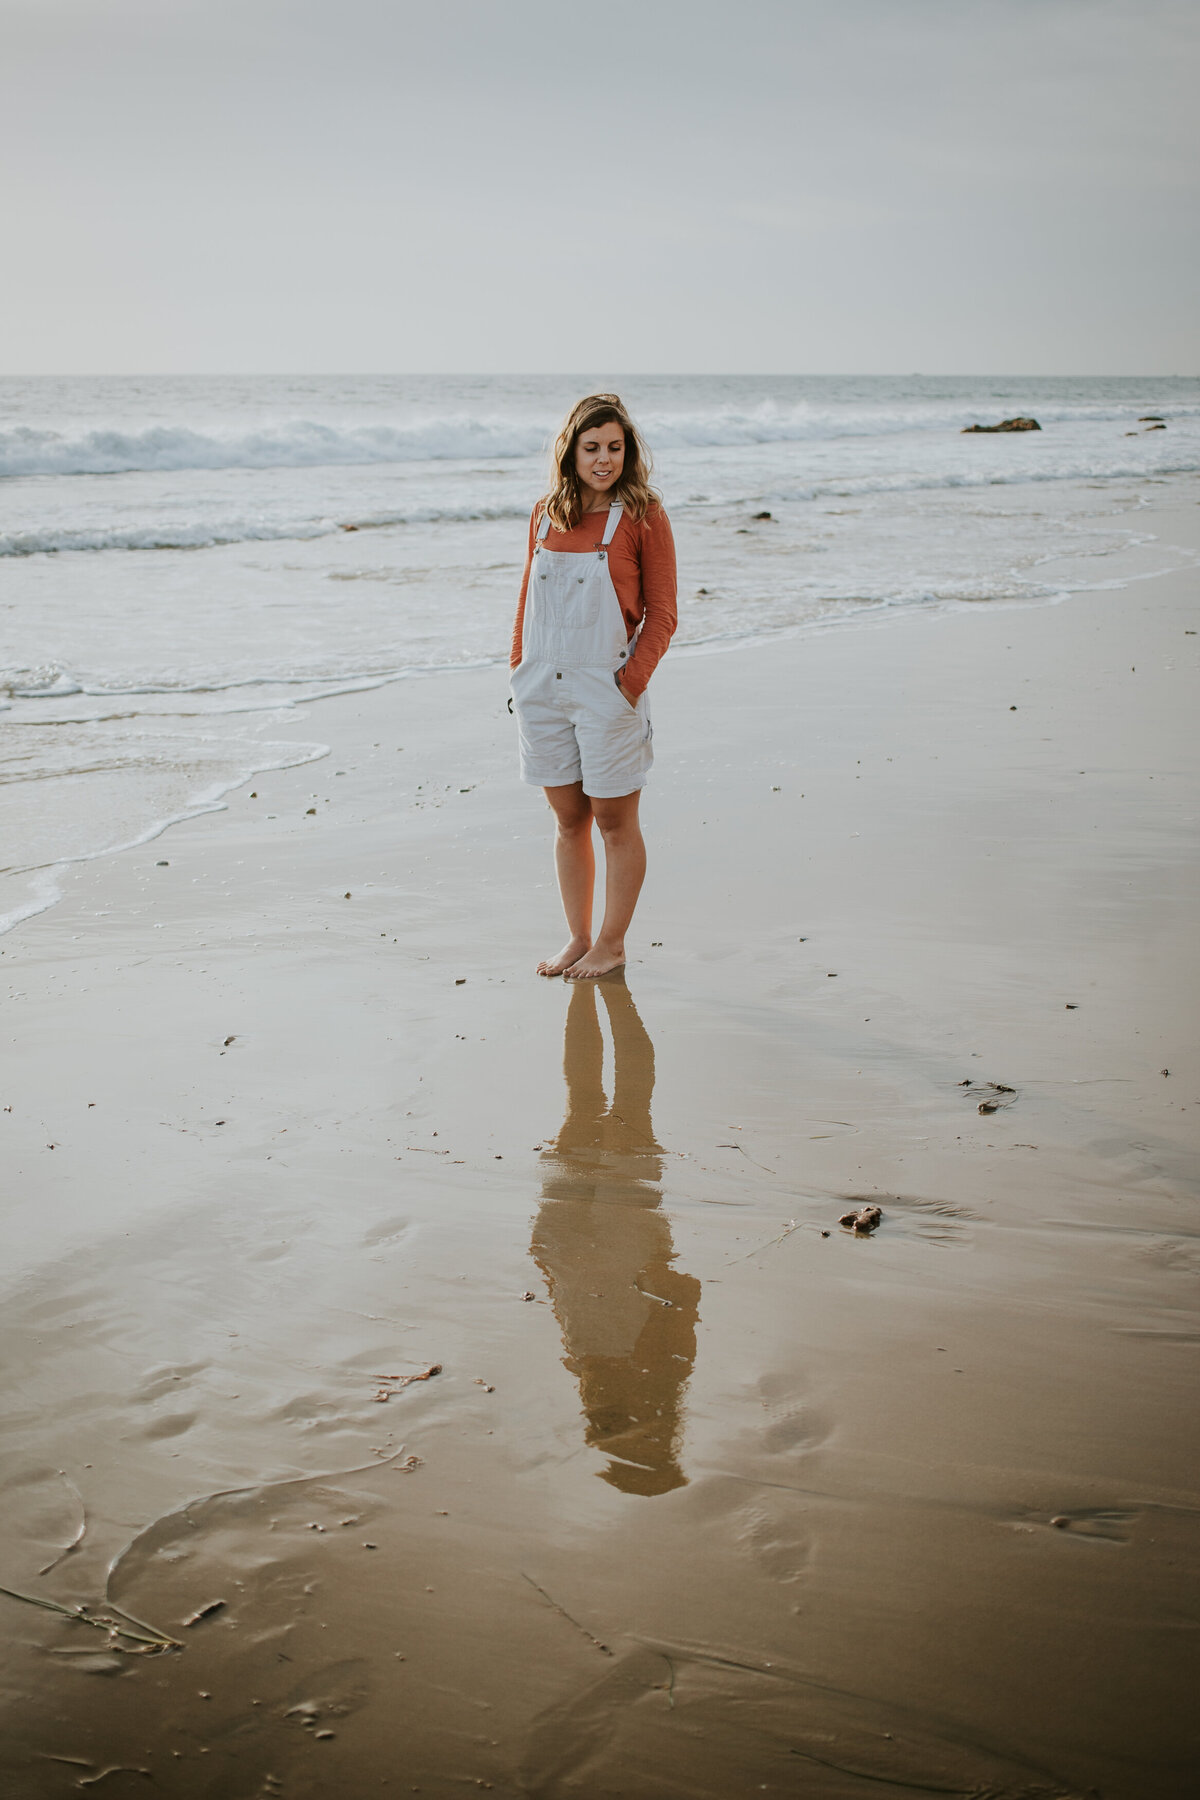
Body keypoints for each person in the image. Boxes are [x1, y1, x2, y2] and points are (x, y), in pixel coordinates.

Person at [510, 394, 677, 978]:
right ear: (571, 451)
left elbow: (662, 614)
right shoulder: (544, 513)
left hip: (607, 690)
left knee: (612, 819)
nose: (603, 459)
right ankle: (578, 937)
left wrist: (629, 686)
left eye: (614, 447)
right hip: (540, 688)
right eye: (592, 448)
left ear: (627, 452)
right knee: (567, 819)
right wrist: (518, 667)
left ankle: (612, 941)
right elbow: (527, 599)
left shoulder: (643, 515)